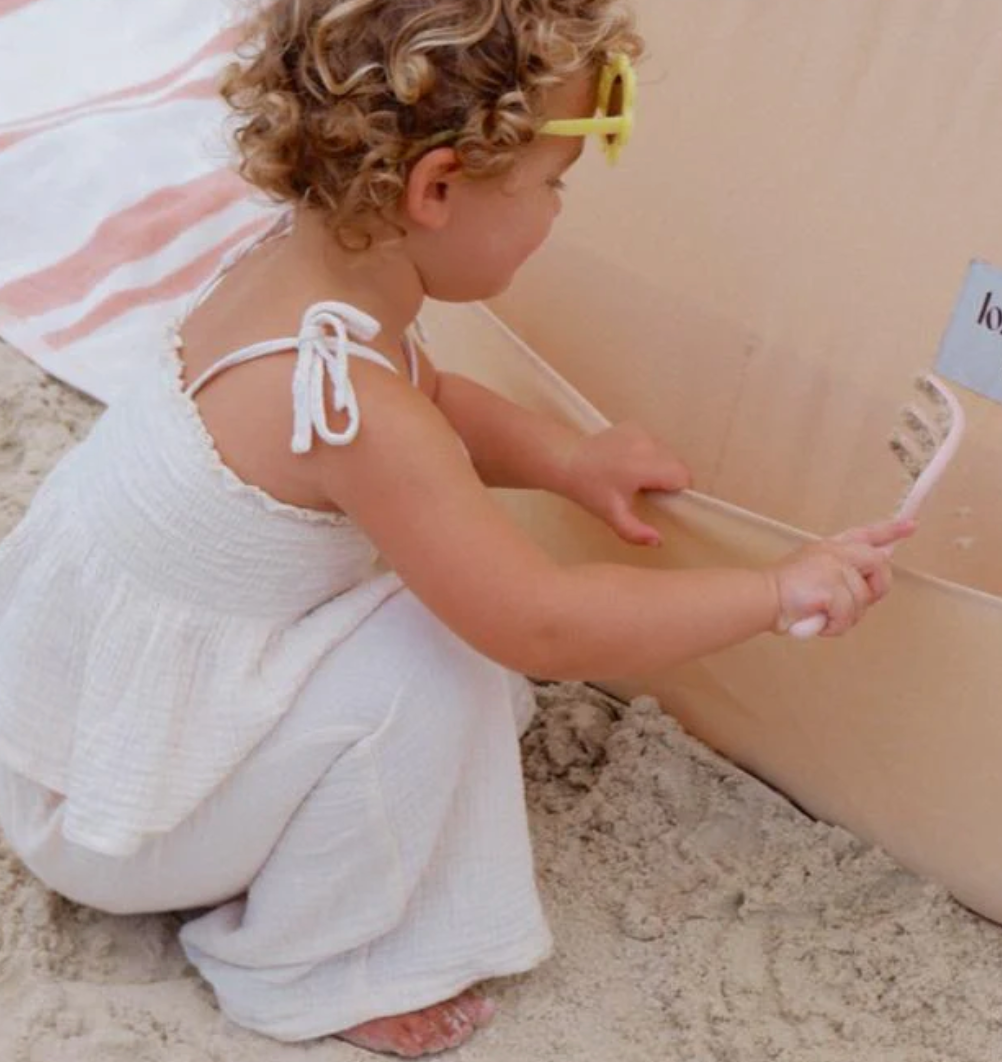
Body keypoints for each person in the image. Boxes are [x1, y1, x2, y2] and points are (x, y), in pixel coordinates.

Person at [0, 0, 914, 1056]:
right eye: (551, 186)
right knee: (436, 658)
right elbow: (543, 626)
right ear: (436, 190)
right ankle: (304, 966)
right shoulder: (345, 393)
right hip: (120, 826)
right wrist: (774, 592)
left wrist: (567, 462)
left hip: (68, 734)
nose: (559, 213)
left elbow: (426, 392)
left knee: (433, 621)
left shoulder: (292, 276)